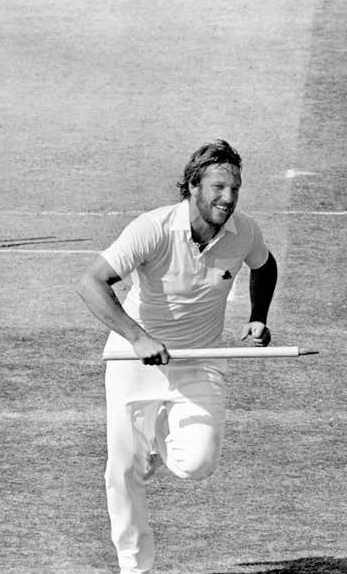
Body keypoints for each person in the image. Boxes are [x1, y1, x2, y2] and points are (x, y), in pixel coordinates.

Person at [76, 139, 277, 574]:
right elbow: (91, 283)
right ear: (192, 186)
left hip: (199, 360)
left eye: (235, 188)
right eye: (219, 187)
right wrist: (139, 337)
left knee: (197, 464)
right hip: (134, 360)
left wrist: (258, 317)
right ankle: (135, 567)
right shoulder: (152, 228)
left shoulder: (245, 232)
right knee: (122, 470)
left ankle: (152, 441)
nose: (228, 198)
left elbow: (265, 266)